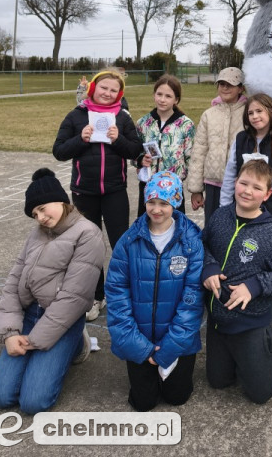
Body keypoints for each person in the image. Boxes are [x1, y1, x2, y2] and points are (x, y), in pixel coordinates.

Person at [0, 169, 105, 415]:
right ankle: (51, 350)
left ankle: (77, 344)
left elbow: (74, 298)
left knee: (34, 402)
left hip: (64, 320)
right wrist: (10, 333)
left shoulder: (88, 233)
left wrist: (35, 340)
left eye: (42, 208)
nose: (40, 217)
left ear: (61, 200)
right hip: (30, 315)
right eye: (35, 213)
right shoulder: (36, 234)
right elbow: (13, 281)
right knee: (0, 396)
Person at [105, 170, 203, 412]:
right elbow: (117, 295)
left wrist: (170, 347)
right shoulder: (129, 241)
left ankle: (169, 372)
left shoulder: (191, 242)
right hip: (140, 338)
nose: (156, 209)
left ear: (176, 202)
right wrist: (139, 347)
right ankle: (146, 371)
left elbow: (192, 300)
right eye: (151, 201)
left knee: (177, 397)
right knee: (143, 402)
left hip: (177, 339)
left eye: (164, 203)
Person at [53, 68, 143, 321]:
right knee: (89, 247)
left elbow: (135, 150)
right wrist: (81, 139)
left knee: (121, 244)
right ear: (93, 87)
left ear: (120, 94)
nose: (108, 93)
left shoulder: (123, 117)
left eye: (114, 90)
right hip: (84, 192)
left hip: (115, 191)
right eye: (104, 87)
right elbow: (59, 151)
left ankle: (125, 293)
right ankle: (96, 295)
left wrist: (119, 140)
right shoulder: (76, 115)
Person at [202, 160, 272, 404]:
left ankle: (269, 346)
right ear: (235, 183)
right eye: (243, 183)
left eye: (256, 187)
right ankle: (236, 356)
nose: (247, 191)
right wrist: (209, 267)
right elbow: (202, 245)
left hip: (250, 322)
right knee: (218, 382)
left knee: (260, 394)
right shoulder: (220, 216)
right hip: (217, 319)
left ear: (267, 194)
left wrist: (253, 286)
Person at [220, 93, 272, 234]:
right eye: (250, 113)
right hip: (243, 213)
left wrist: (267, 183)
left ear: (270, 111)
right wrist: (224, 208)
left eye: (259, 111)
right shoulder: (241, 139)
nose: (255, 116)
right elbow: (229, 175)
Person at [187, 67, 247, 224]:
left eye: (230, 84)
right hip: (213, 185)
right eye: (221, 84)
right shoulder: (209, 114)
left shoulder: (248, 113)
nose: (225, 88)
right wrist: (196, 189)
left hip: (240, 184)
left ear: (241, 88)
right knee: (213, 227)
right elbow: (199, 152)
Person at [135, 74, 195, 216]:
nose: (162, 100)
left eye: (168, 96)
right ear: (153, 95)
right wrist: (140, 160)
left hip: (172, 187)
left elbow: (191, 158)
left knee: (174, 229)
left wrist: (191, 185)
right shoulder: (143, 123)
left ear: (176, 99)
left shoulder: (186, 125)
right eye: (159, 94)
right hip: (148, 186)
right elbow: (134, 152)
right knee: (147, 227)